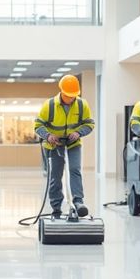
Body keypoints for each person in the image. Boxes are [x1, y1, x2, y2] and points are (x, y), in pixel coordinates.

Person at [34, 75, 95, 218]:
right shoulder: (49, 105)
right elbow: (38, 125)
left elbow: (90, 123)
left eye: (73, 95)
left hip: (73, 143)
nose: (71, 98)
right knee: (56, 176)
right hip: (54, 145)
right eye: (68, 95)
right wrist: (48, 136)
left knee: (75, 170)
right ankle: (56, 207)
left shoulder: (82, 104)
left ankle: (78, 202)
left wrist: (79, 133)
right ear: (61, 91)